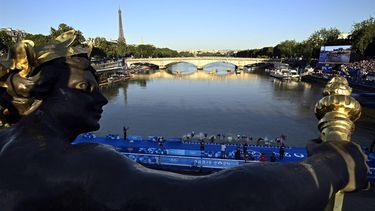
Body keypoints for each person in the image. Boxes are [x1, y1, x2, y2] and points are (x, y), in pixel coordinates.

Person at [0, 35, 369, 211]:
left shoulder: (9, 145)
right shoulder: (86, 165)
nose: (100, 98)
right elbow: (231, 198)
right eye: (84, 87)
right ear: (42, 91)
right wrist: (329, 165)